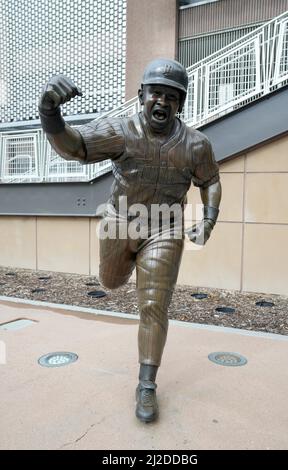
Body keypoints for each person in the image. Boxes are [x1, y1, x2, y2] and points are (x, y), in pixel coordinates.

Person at [38, 58, 222, 423]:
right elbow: (74, 147)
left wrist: (208, 219)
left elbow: (210, 180)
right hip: (121, 223)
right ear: (141, 95)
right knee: (110, 281)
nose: (163, 102)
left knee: (154, 303)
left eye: (173, 97)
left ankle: (147, 385)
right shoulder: (120, 131)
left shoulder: (196, 145)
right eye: (156, 93)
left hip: (165, 228)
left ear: (181, 104)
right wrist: (50, 114)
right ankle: (117, 262)